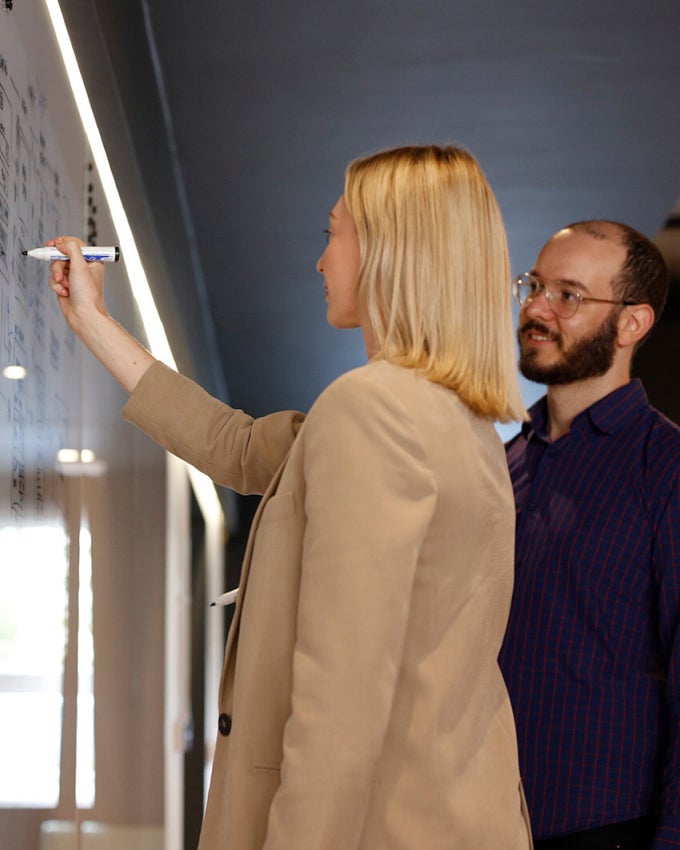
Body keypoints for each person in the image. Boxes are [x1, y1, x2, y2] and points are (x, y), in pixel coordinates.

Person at [48, 144, 531, 850]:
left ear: (388, 250)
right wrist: (92, 321)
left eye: (333, 233)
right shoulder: (460, 424)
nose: (320, 260)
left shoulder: (373, 411)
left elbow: (342, 700)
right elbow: (239, 448)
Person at [498, 219, 680, 850]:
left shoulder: (669, 470)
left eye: (568, 295)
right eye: (534, 285)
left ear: (633, 324)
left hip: (607, 830)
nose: (536, 309)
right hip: (475, 821)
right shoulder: (501, 468)